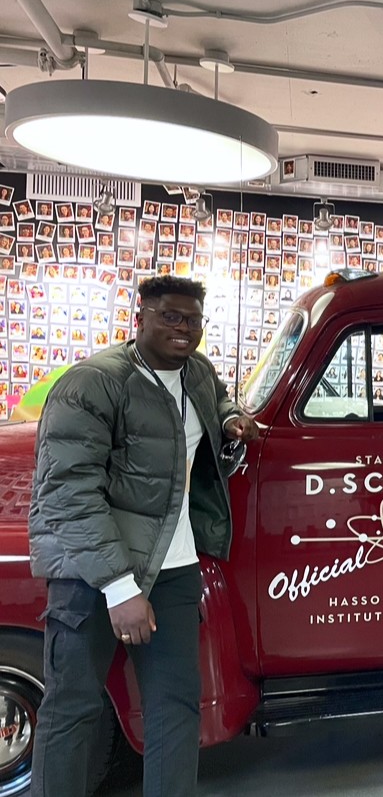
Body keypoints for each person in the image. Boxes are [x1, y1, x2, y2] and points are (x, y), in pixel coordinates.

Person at [27, 275, 260, 797]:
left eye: (193, 320)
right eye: (170, 317)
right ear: (141, 317)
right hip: (93, 573)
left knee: (176, 706)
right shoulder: (92, 383)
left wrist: (229, 420)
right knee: (73, 707)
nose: (184, 329)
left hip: (173, 567)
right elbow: (68, 493)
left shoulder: (196, 372)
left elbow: (215, 401)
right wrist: (120, 587)